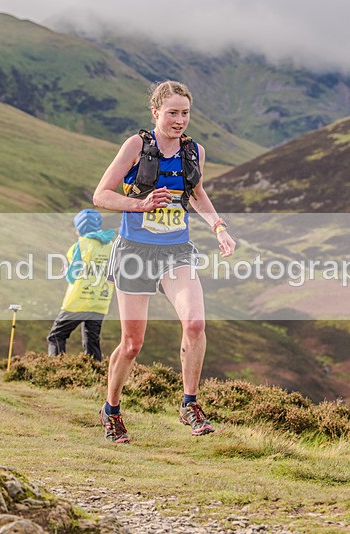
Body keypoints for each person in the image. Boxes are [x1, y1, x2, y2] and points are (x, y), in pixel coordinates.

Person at [93, 80, 236, 443]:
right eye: (172, 112)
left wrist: (218, 227)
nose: (179, 120)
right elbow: (102, 195)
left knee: (195, 324)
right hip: (135, 252)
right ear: (155, 112)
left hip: (176, 250)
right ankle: (111, 409)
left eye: (185, 113)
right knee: (132, 345)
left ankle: (189, 403)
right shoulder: (136, 146)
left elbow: (196, 193)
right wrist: (140, 204)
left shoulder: (194, 152)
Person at [47, 209, 116, 362]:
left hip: (78, 301)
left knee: (56, 336)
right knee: (92, 340)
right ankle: (95, 374)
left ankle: (55, 370)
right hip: (100, 301)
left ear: (81, 228)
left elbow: (72, 276)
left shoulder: (81, 245)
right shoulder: (110, 245)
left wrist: (66, 270)